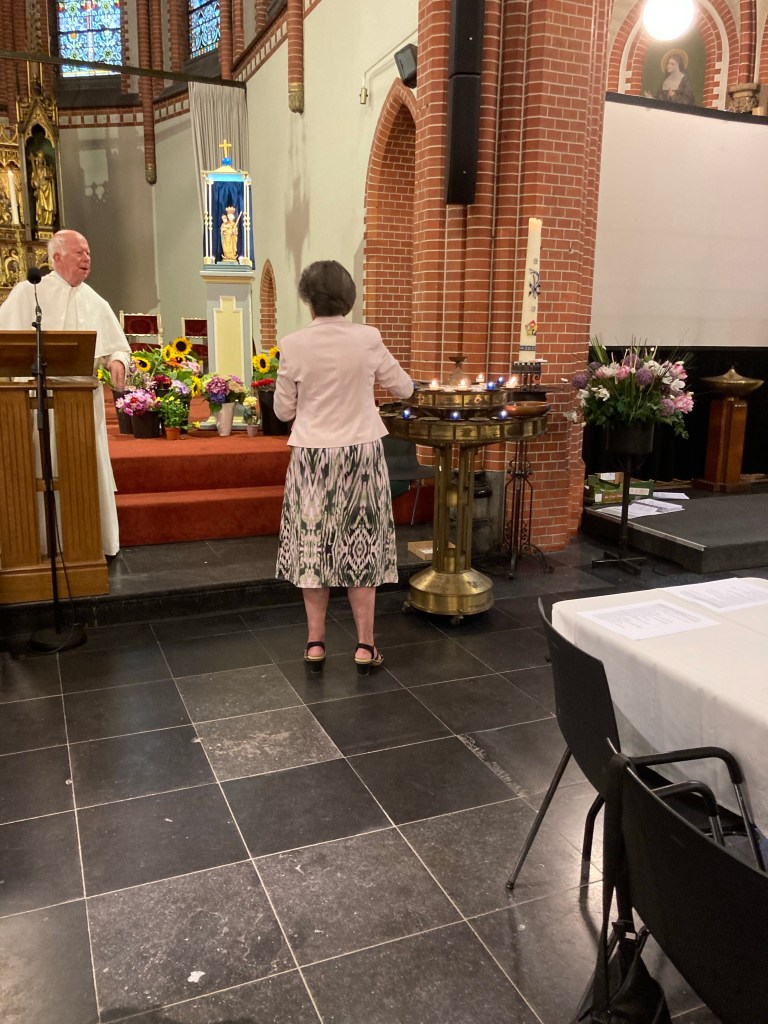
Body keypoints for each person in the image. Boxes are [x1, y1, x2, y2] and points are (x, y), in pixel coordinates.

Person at [274, 260, 413, 673]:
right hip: (361, 453)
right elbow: (404, 387)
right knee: (362, 545)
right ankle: (365, 646)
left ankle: (315, 643)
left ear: (309, 300)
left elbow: (282, 411)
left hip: (312, 456)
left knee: (313, 548)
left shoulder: (293, 344)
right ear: (349, 299)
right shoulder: (368, 338)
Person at [0, 229, 132, 556]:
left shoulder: (95, 300)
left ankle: (89, 542)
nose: (87, 258)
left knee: (82, 469)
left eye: (88, 253)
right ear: (57, 257)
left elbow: (117, 346)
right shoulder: (28, 293)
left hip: (80, 401)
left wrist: (118, 360)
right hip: (33, 401)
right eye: (79, 253)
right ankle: (39, 543)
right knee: (38, 468)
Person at [30, 151, 56, 227]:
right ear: (37, 159)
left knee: (48, 206)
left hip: (47, 188)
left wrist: (49, 176)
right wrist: (35, 183)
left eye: (42, 158)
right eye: (39, 158)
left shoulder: (46, 168)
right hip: (40, 190)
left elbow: (51, 176)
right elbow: (33, 180)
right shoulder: (35, 170)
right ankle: (41, 221)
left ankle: (48, 221)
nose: (40, 159)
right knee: (40, 206)